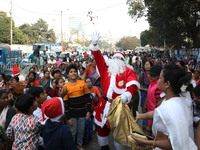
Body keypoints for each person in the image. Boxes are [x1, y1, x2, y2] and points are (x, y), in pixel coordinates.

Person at [89, 33, 139, 150]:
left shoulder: (127, 71)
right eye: (115, 58)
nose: (117, 60)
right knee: (101, 128)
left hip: (119, 105)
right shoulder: (105, 68)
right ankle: (104, 146)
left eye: (120, 58)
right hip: (104, 103)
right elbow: (98, 57)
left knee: (120, 131)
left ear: (123, 61)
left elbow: (133, 85)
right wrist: (95, 45)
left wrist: (127, 95)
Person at [132, 64, 197, 150]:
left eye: (160, 78)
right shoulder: (177, 99)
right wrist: (141, 116)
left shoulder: (169, 107)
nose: (158, 81)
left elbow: (174, 143)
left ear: (167, 84)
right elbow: (158, 113)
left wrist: (144, 142)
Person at [63, 65, 91, 150]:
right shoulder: (66, 86)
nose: (73, 73)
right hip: (72, 114)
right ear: (67, 75)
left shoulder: (82, 83)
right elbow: (66, 104)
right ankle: (72, 146)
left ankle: (79, 145)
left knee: (81, 130)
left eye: (75, 71)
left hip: (82, 112)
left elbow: (88, 99)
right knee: (73, 131)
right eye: (71, 72)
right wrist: (68, 118)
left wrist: (88, 111)